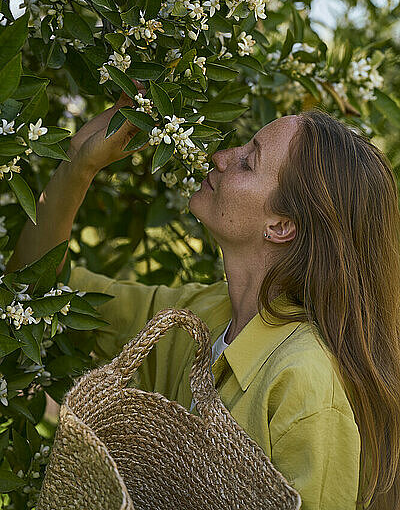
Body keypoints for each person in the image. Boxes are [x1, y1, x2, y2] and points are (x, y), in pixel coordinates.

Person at [5, 86, 400, 510]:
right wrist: (78, 165)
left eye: (247, 163)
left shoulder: (304, 386)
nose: (220, 156)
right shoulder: (201, 313)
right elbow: (38, 290)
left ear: (281, 226)